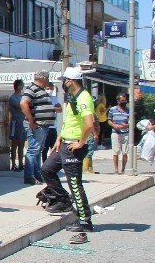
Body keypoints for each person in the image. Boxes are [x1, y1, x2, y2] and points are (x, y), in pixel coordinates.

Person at [41, 67, 95, 236]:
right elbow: (68, 121)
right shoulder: (72, 96)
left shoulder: (84, 97)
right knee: (47, 169)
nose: (63, 83)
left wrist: (81, 142)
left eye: (64, 80)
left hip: (73, 146)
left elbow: (89, 124)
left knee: (75, 184)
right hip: (64, 143)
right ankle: (63, 200)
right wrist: (59, 139)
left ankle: (85, 220)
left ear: (70, 81)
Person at [19, 70, 58, 185]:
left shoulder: (41, 90)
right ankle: (29, 177)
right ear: (43, 79)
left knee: (37, 151)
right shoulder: (31, 89)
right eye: (47, 79)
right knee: (33, 150)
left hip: (42, 125)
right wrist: (31, 119)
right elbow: (23, 103)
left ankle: (37, 175)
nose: (48, 82)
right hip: (37, 125)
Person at [107, 94, 130, 174]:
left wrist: (127, 125)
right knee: (115, 152)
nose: (124, 102)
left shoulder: (128, 110)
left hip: (126, 133)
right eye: (122, 100)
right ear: (118, 101)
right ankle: (116, 169)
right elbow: (109, 120)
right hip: (115, 133)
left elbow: (132, 122)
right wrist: (114, 125)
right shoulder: (112, 109)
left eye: (125, 100)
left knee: (125, 152)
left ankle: (123, 169)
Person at [7, 79, 26, 171]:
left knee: (22, 144)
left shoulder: (23, 97)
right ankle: (13, 164)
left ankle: (21, 164)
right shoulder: (13, 98)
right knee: (14, 144)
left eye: (22, 85)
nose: (22, 87)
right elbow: (21, 107)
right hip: (15, 123)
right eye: (20, 85)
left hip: (23, 123)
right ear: (17, 86)